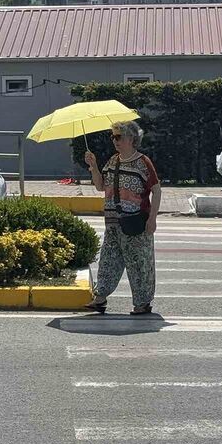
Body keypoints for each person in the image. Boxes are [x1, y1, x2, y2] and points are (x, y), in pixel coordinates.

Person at [84, 121, 162, 315]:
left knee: (139, 265)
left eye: (118, 137)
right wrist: (93, 166)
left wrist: (152, 219)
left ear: (131, 138)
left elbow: (157, 190)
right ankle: (100, 298)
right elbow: (101, 186)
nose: (115, 140)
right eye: (113, 137)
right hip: (112, 223)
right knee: (108, 260)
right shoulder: (112, 161)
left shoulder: (143, 162)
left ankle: (142, 304)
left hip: (136, 222)